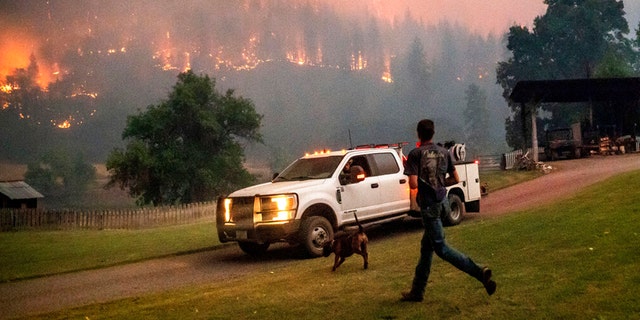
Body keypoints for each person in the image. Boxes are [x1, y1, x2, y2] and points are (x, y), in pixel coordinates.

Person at [401, 119, 496, 302]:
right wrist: (439, 183)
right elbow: (456, 178)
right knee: (426, 248)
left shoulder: (415, 154)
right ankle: (417, 292)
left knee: (442, 249)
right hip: (443, 202)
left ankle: (479, 272)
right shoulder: (444, 152)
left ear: (418, 134)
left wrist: (424, 185)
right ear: (433, 133)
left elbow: (413, 183)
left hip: (429, 207)